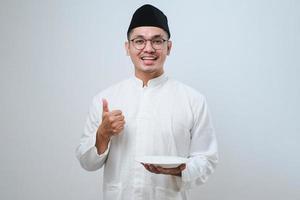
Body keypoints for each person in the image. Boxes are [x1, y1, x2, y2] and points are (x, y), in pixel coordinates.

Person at [76, 4, 218, 200]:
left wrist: (179, 169)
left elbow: (207, 159)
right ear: (128, 47)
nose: (148, 49)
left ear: (169, 47)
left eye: (157, 41)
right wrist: (102, 135)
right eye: (139, 41)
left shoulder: (193, 100)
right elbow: (87, 162)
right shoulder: (105, 99)